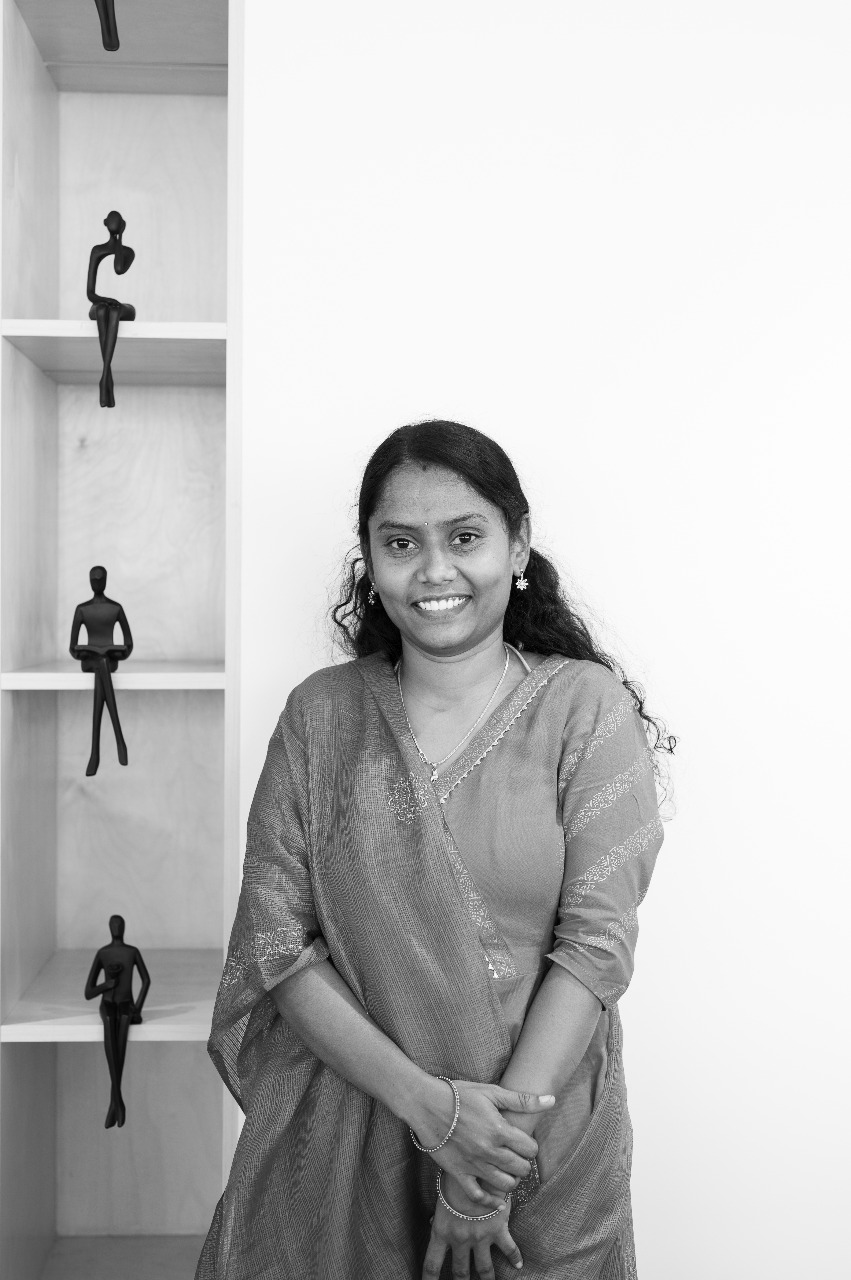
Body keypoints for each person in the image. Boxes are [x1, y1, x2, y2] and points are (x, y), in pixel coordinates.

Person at [196, 420, 674, 1280]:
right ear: (370, 561)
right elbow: (276, 946)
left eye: (463, 538)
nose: (433, 570)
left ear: (516, 546)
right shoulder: (321, 717)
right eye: (400, 543)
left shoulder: (583, 709)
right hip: (353, 1140)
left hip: (537, 1151)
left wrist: (483, 1174)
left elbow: (595, 949)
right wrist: (432, 1112)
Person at [84, 914, 150, 1128]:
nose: (117, 928)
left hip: (126, 1003)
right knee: (109, 1021)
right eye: (114, 925)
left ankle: (115, 1102)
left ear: (123, 928)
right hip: (108, 1003)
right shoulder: (103, 953)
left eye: (119, 925)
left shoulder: (132, 952)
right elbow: (88, 992)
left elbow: (146, 981)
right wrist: (107, 985)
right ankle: (118, 1100)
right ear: (110, 928)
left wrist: (137, 1009)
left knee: (123, 1021)